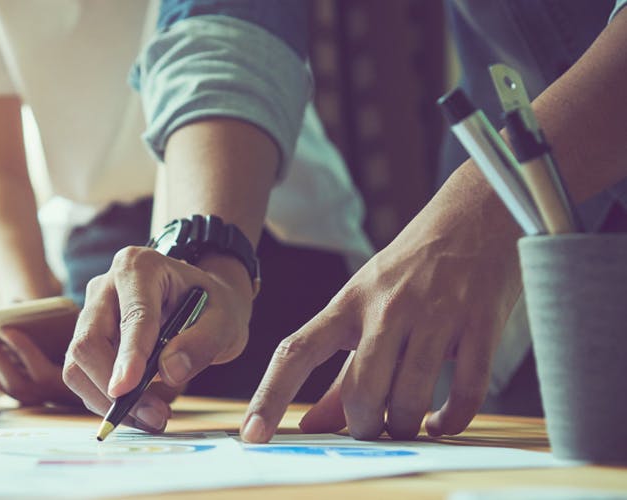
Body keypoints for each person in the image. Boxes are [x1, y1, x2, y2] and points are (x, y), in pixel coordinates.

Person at [0, 0, 372, 421]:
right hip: (103, 247)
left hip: (262, 217)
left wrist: (197, 256)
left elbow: (219, 52)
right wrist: (33, 326)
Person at [239, 0, 627, 443]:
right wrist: (215, 240)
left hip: (487, 225)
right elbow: (231, 16)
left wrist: (483, 212)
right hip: (495, 315)